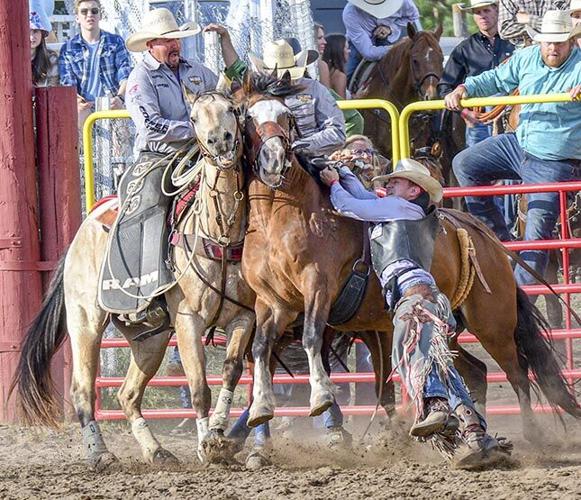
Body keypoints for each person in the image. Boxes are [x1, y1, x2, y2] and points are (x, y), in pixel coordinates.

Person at [319, 158, 508, 469]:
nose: (388, 184)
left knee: (411, 354)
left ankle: (437, 407)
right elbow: (365, 199)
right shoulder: (403, 209)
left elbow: (350, 206)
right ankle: (475, 434)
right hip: (420, 298)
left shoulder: (400, 209)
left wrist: (334, 184)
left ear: (413, 190)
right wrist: (346, 172)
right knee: (439, 364)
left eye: (396, 181)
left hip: (414, 300)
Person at [446, 10, 581, 289]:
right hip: (518, 144)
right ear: (540, 41)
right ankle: (502, 243)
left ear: (571, 42)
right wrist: (463, 87)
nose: (553, 47)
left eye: (560, 41)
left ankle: (522, 311)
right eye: (548, 41)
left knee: (536, 234)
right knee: (464, 164)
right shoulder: (526, 57)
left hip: (555, 160)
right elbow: (495, 78)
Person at [250, 39, 346, 156]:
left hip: (310, 159)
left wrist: (298, 146)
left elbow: (337, 132)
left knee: (342, 174)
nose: (281, 80)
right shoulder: (256, 93)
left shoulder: (314, 88)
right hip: (263, 157)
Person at [438, 0, 514, 147]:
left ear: (497, 11)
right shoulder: (464, 49)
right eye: (478, 12)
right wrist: (465, 113)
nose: (482, 16)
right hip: (479, 120)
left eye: (486, 11)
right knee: (478, 165)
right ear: (473, 16)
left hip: (513, 117)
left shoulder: (513, 42)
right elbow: (444, 88)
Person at [58, 0, 132, 127]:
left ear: (100, 15)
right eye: (84, 11)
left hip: (112, 102)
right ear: (77, 17)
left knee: (122, 134)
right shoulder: (68, 48)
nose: (89, 15)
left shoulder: (116, 42)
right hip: (85, 106)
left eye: (94, 11)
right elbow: (67, 85)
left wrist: (120, 98)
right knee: (77, 121)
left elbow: (125, 74)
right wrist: (77, 101)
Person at [343, 0, 422, 80]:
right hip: (358, 47)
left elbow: (413, 16)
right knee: (345, 76)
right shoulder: (351, 13)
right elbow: (369, 53)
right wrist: (395, 48)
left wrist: (390, 28)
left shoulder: (403, 2)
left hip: (388, 41)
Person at [321, 33, 365, 136]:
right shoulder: (340, 76)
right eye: (346, 48)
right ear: (338, 51)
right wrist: (357, 98)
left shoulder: (328, 71)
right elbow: (342, 107)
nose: (349, 51)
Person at [498, 0, 570, 46]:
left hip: (556, 46)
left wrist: (529, 19)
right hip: (524, 50)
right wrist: (550, 23)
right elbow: (505, 30)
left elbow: (570, 23)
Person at [29, 3, 59, 87]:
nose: (32, 37)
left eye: (35, 31)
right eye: (28, 31)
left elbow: (53, 87)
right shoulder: (14, 59)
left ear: (42, 34)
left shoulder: (51, 58)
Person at [315, 22, 331, 88]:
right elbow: (326, 96)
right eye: (319, 38)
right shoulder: (321, 65)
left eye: (323, 38)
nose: (324, 42)